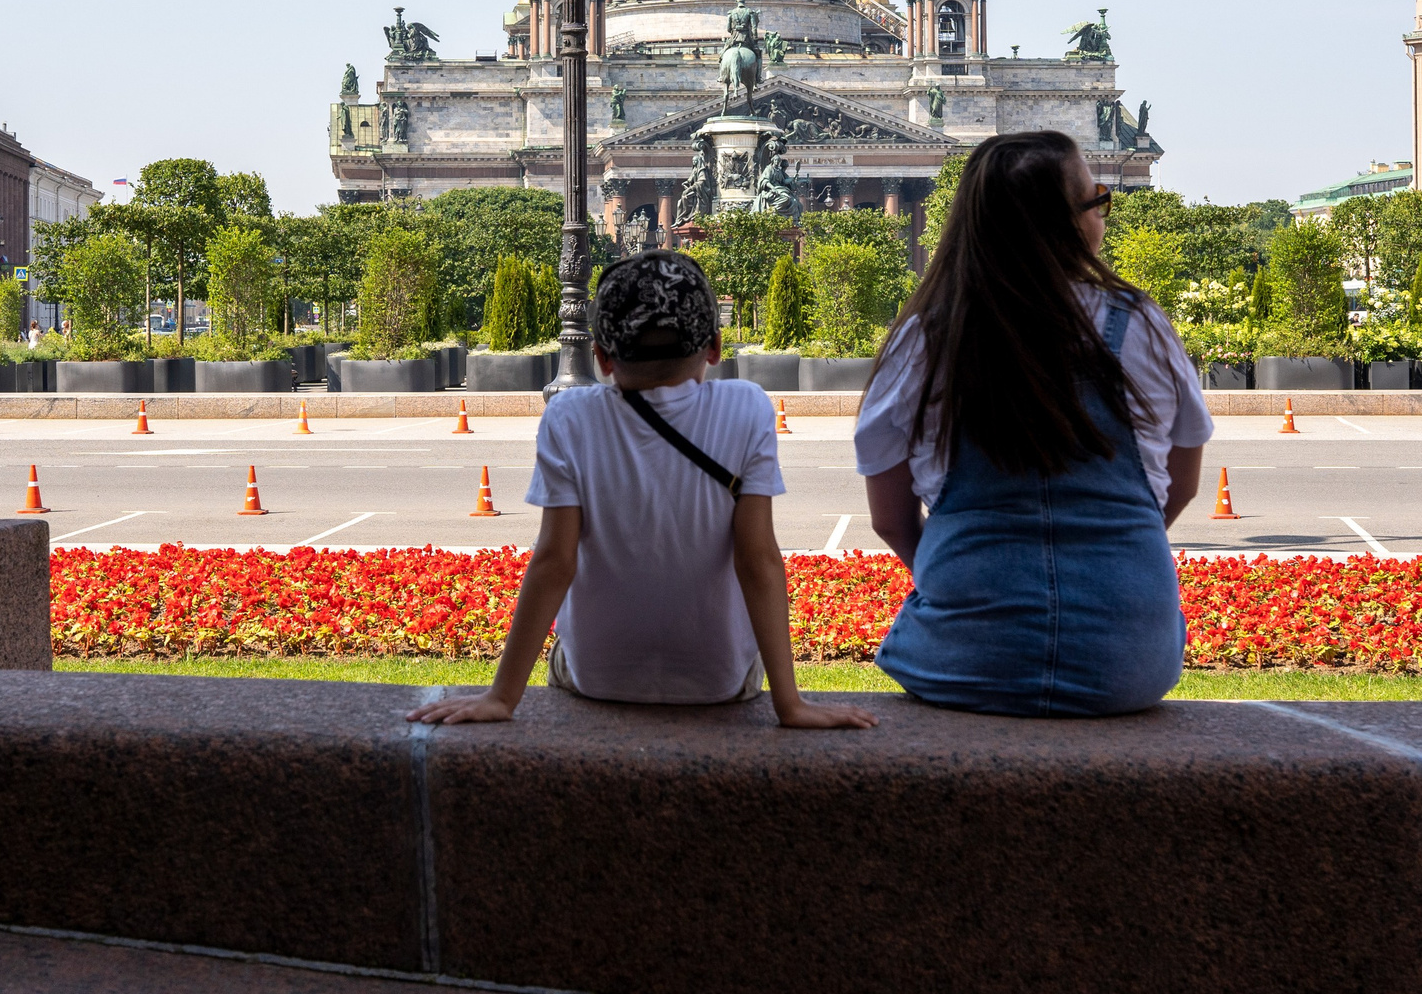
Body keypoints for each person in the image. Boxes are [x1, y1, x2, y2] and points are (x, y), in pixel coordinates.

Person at [410, 250, 873, 731]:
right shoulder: (748, 408)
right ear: (714, 347)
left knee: (563, 656)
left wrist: (502, 697)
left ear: (602, 358)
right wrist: (790, 704)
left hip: (596, 676)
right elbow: (757, 559)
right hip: (721, 681)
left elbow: (554, 561)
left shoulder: (570, 416)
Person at [855, 132, 1211, 717]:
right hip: (1129, 663)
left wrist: (964, 580)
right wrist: (1113, 552)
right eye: (1097, 197)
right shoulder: (1141, 324)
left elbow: (889, 519)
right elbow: (1184, 483)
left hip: (965, 658)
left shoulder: (923, 338)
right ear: (1070, 221)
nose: (1103, 211)